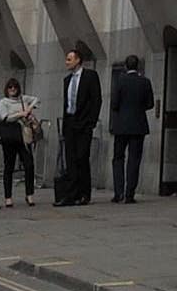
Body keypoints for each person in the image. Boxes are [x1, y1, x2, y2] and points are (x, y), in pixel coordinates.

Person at [55, 46, 102, 207]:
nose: (67, 62)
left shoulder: (90, 76)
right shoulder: (67, 80)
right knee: (70, 159)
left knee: (82, 158)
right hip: (70, 123)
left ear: (78, 60)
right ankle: (70, 194)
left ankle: (84, 193)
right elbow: (66, 103)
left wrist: (91, 122)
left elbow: (96, 100)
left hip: (84, 124)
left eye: (69, 59)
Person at [108, 54, 154, 202]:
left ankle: (118, 192)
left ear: (126, 67)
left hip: (121, 125)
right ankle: (130, 194)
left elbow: (114, 104)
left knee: (118, 158)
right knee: (134, 160)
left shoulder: (120, 82)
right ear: (138, 66)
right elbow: (150, 104)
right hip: (138, 125)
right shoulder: (145, 82)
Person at [0, 76, 39, 207]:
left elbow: (37, 99)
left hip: (24, 136)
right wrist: (20, 114)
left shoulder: (23, 99)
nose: (12, 89)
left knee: (29, 165)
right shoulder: (4, 102)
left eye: (15, 87)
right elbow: (5, 117)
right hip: (10, 136)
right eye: (10, 87)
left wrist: (29, 109)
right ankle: (8, 197)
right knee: (9, 166)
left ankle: (29, 194)